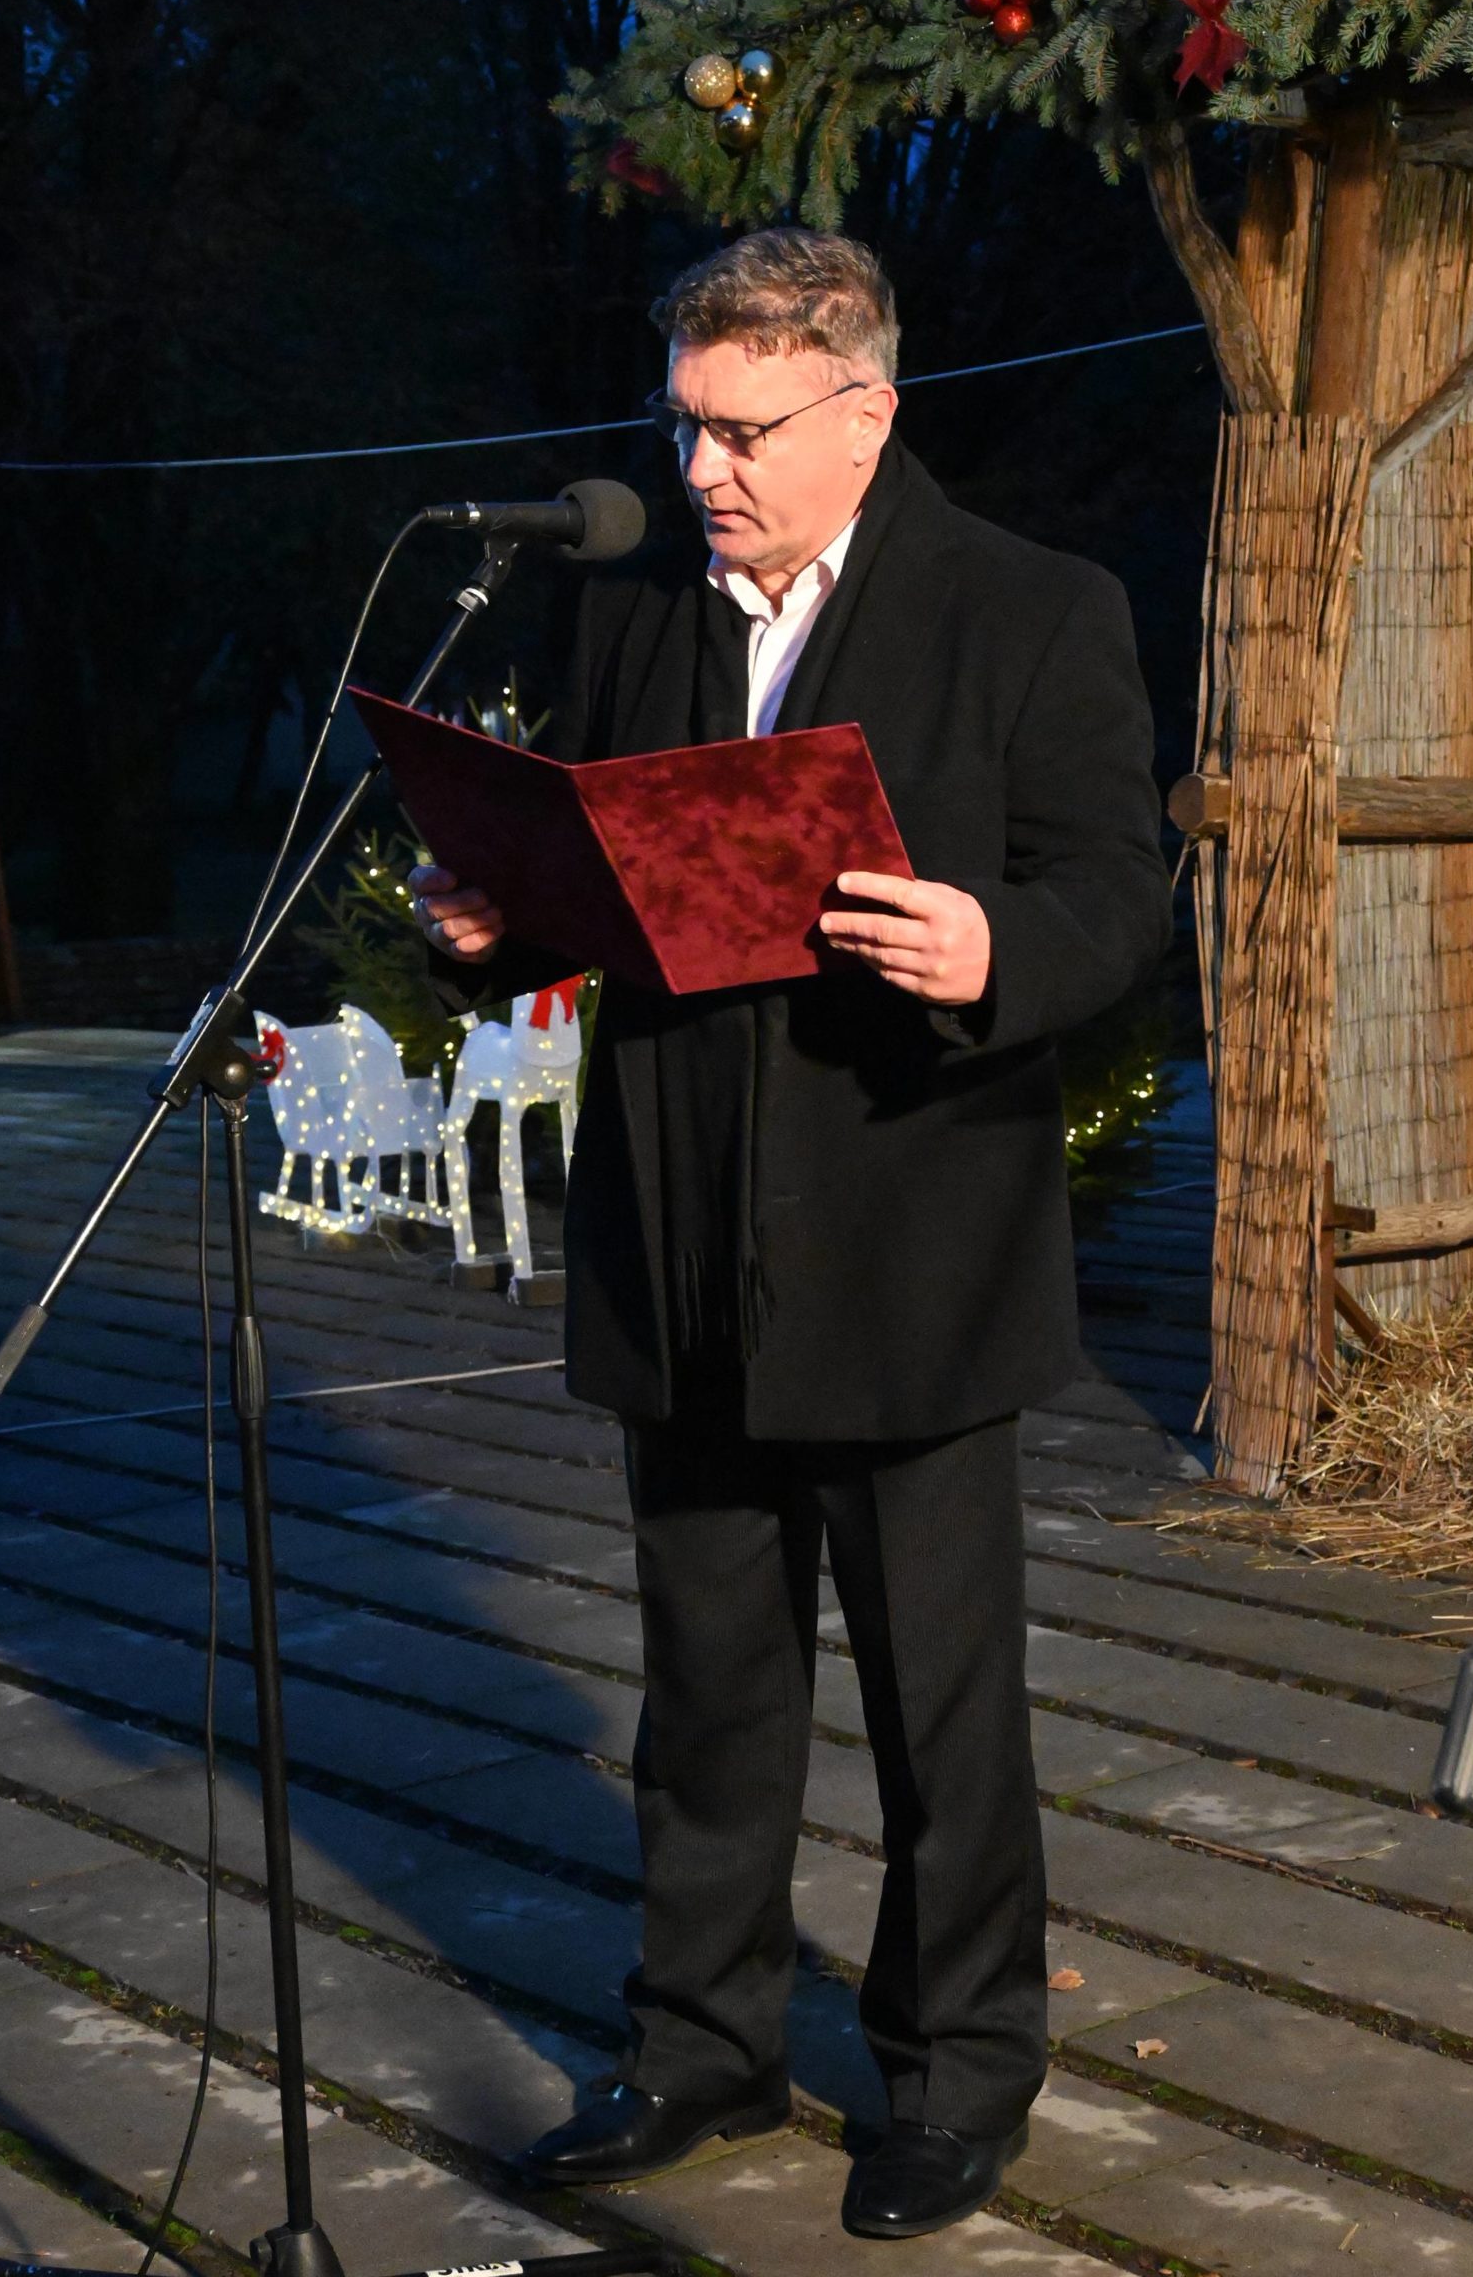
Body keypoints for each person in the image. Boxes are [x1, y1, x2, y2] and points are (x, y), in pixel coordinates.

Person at [409, 229, 1172, 2241]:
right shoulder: (630, 605)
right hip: (677, 1235)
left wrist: (1000, 943)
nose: (701, 469)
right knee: (707, 1694)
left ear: (865, 412)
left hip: (910, 1241)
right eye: (685, 424)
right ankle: (696, 2048)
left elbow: (1117, 890)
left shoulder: (1029, 608)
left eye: (741, 431)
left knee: (943, 1712)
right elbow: (606, 885)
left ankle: (953, 2075)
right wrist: (494, 922)